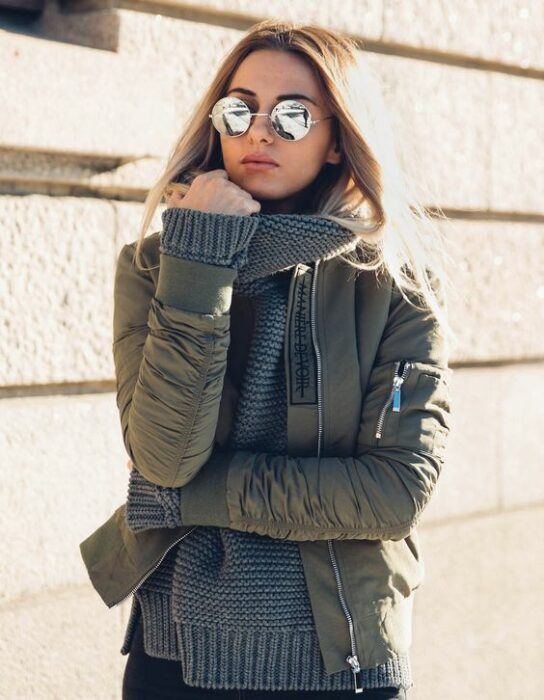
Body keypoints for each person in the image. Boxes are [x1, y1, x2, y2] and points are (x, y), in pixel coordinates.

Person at [79, 19, 454, 700]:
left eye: (292, 114)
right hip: (177, 659)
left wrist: (193, 498)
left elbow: (393, 493)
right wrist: (200, 258)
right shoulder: (157, 266)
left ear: (339, 137)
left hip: (342, 663)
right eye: (240, 108)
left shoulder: (395, 285)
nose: (260, 130)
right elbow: (163, 458)